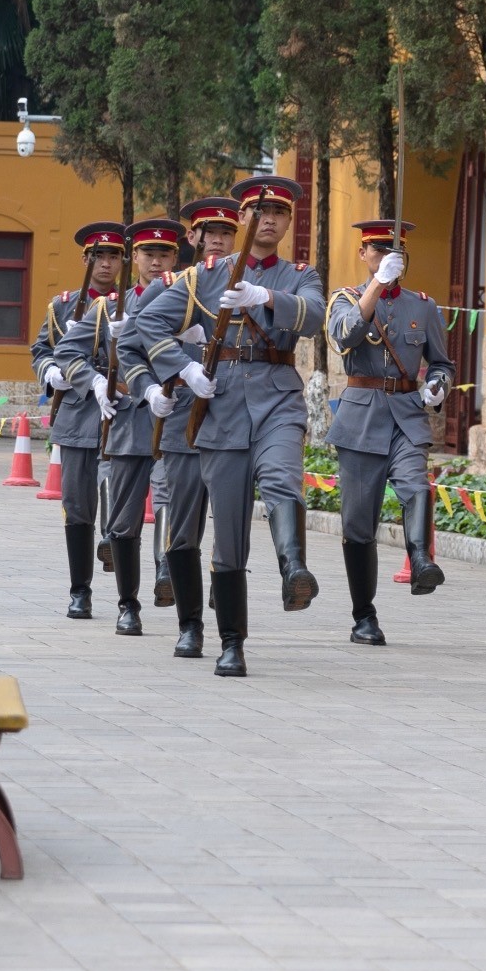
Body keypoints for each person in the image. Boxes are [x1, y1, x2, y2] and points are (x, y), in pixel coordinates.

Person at [124, 175, 324, 677]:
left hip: (278, 394)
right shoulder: (202, 277)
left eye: (279, 213)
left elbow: (316, 316)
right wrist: (181, 367)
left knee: (282, 477)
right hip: (221, 406)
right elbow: (147, 325)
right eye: (260, 212)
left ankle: (293, 566)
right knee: (228, 532)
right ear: (244, 219)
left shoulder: (299, 275)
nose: (269, 220)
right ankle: (230, 640)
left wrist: (266, 298)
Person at [325, 217, 456, 643]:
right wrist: (376, 287)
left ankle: (420, 559)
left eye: (393, 250)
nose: (385, 256)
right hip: (361, 416)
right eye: (376, 249)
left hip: (406, 412)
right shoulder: (344, 298)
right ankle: (364, 615)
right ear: (363, 254)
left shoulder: (423, 306)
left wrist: (438, 385)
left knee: (416, 484)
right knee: (358, 526)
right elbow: (345, 336)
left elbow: (442, 363)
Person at [54, 215, 180, 637]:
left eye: (164, 253)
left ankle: (173, 581)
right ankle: (128, 603)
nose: (156, 261)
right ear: (137, 260)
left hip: (178, 419)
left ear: (175, 257)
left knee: (174, 503)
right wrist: (92, 382)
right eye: (149, 253)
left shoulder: (194, 298)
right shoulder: (110, 308)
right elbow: (66, 352)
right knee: (122, 522)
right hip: (128, 420)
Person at [130, 195, 238, 655]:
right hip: (184, 422)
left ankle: (226, 600)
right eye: (208, 232)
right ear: (191, 237)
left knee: (231, 525)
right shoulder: (173, 284)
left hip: (236, 418)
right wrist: (156, 385)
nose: (217, 239)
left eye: (227, 233)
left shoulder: (247, 284)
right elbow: (133, 345)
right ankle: (189, 623)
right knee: (182, 528)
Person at [35, 220, 131, 621]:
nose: (105, 264)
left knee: (116, 496)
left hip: (120, 410)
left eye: (113, 256)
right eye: (98, 256)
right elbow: (41, 349)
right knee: (76, 505)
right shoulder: (63, 305)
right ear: (85, 260)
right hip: (76, 413)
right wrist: (51, 371)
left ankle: (126, 589)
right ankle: (80, 591)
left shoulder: (136, 303)